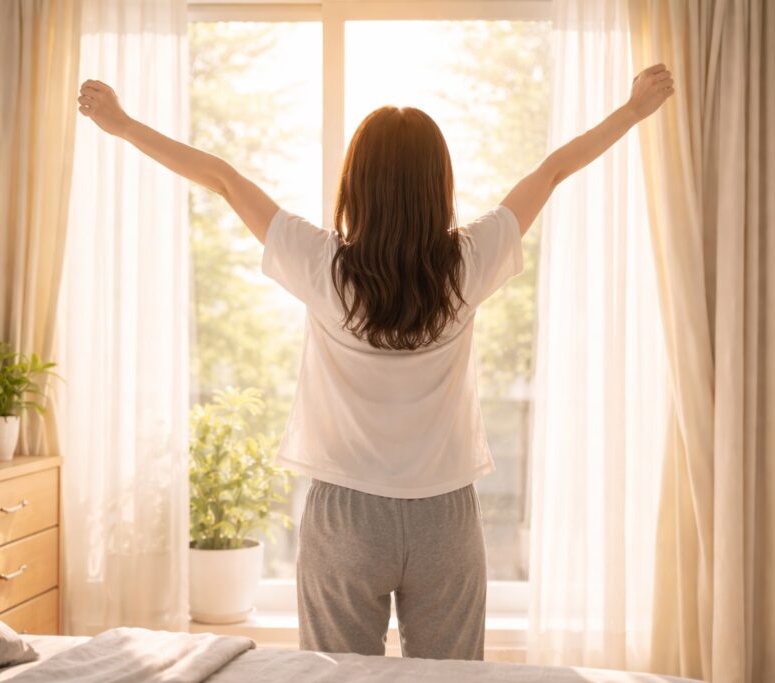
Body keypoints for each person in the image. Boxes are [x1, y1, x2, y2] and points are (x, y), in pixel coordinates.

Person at [78, 63, 674, 661]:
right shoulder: (468, 264)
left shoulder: (321, 265)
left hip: (345, 514)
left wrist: (124, 124)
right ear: (438, 184)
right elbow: (551, 172)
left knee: (336, 678)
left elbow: (225, 180)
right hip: (446, 513)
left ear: (355, 184)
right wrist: (630, 111)